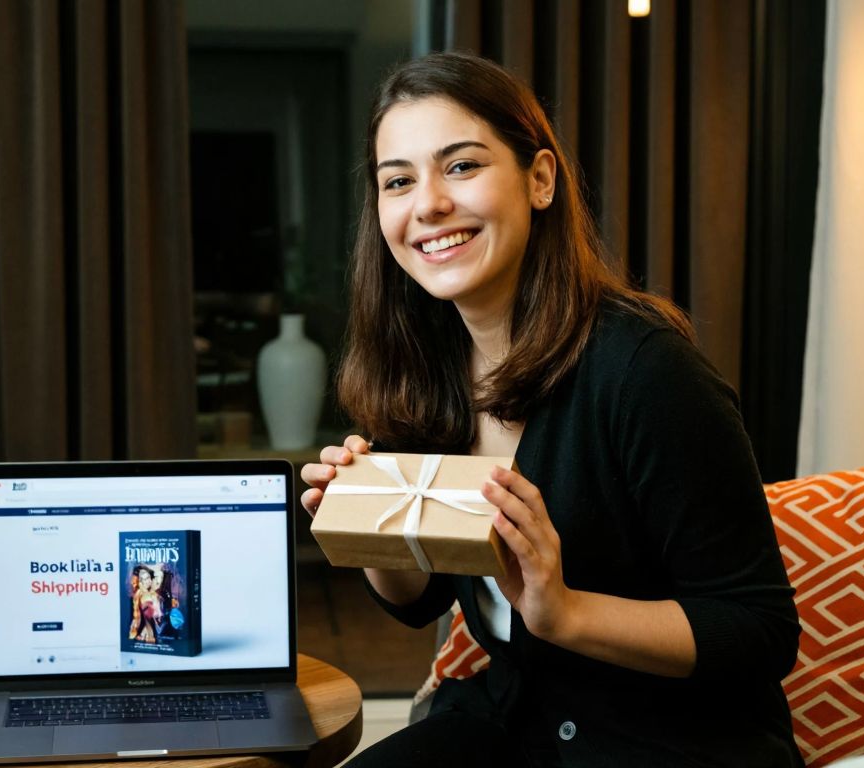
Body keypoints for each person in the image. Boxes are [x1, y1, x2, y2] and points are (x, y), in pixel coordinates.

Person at [301, 52, 802, 768]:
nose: (428, 204)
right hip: (518, 721)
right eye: (398, 181)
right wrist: (371, 532)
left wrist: (564, 610)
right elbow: (419, 598)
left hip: (668, 744)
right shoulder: (428, 368)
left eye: (463, 166)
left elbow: (759, 631)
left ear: (539, 180)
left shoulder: (644, 369)